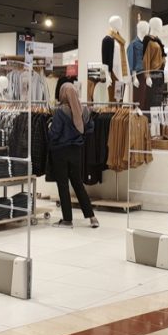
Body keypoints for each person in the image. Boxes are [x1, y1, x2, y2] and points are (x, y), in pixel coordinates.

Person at [49, 81, 98, 228]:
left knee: (63, 185)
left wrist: (49, 126)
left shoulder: (60, 112)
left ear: (62, 94)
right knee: (78, 183)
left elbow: (54, 134)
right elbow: (89, 129)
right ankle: (92, 217)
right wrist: (79, 137)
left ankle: (67, 220)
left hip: (60, 152)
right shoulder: (84, 111)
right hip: (76, 151)